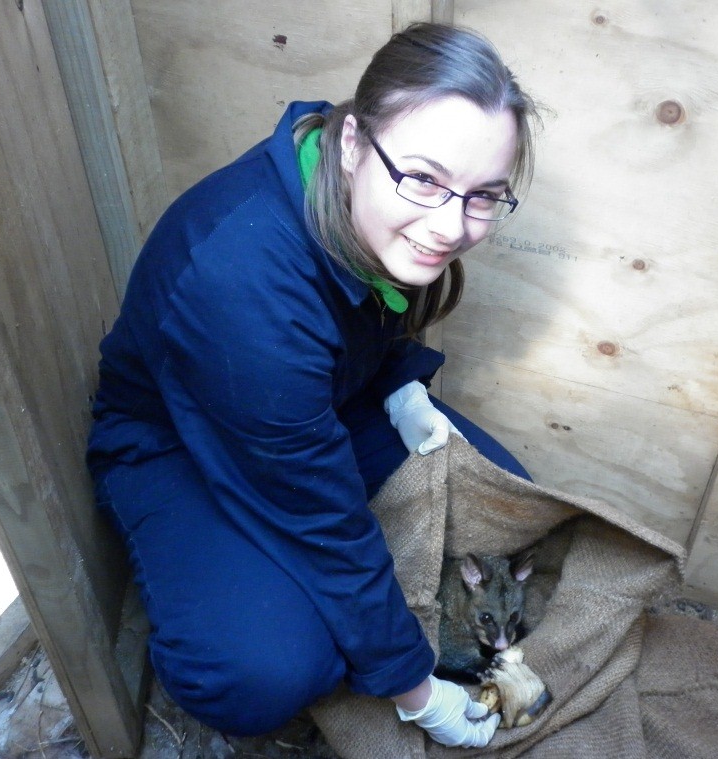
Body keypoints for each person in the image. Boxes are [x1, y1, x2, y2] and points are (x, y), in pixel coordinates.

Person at [86, 22, 539, 749]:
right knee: (270, 670)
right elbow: (319, 520)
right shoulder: (243, 285)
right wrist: (418, 691)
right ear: (355, 141)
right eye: (423, 179)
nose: (450, 225)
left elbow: (371, 321)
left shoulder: (352, 179)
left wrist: (400, 384)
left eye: (482, 194)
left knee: (503, 496)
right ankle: (227, 596)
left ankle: (326, 599)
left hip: (316, 403)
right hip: (175, 442)